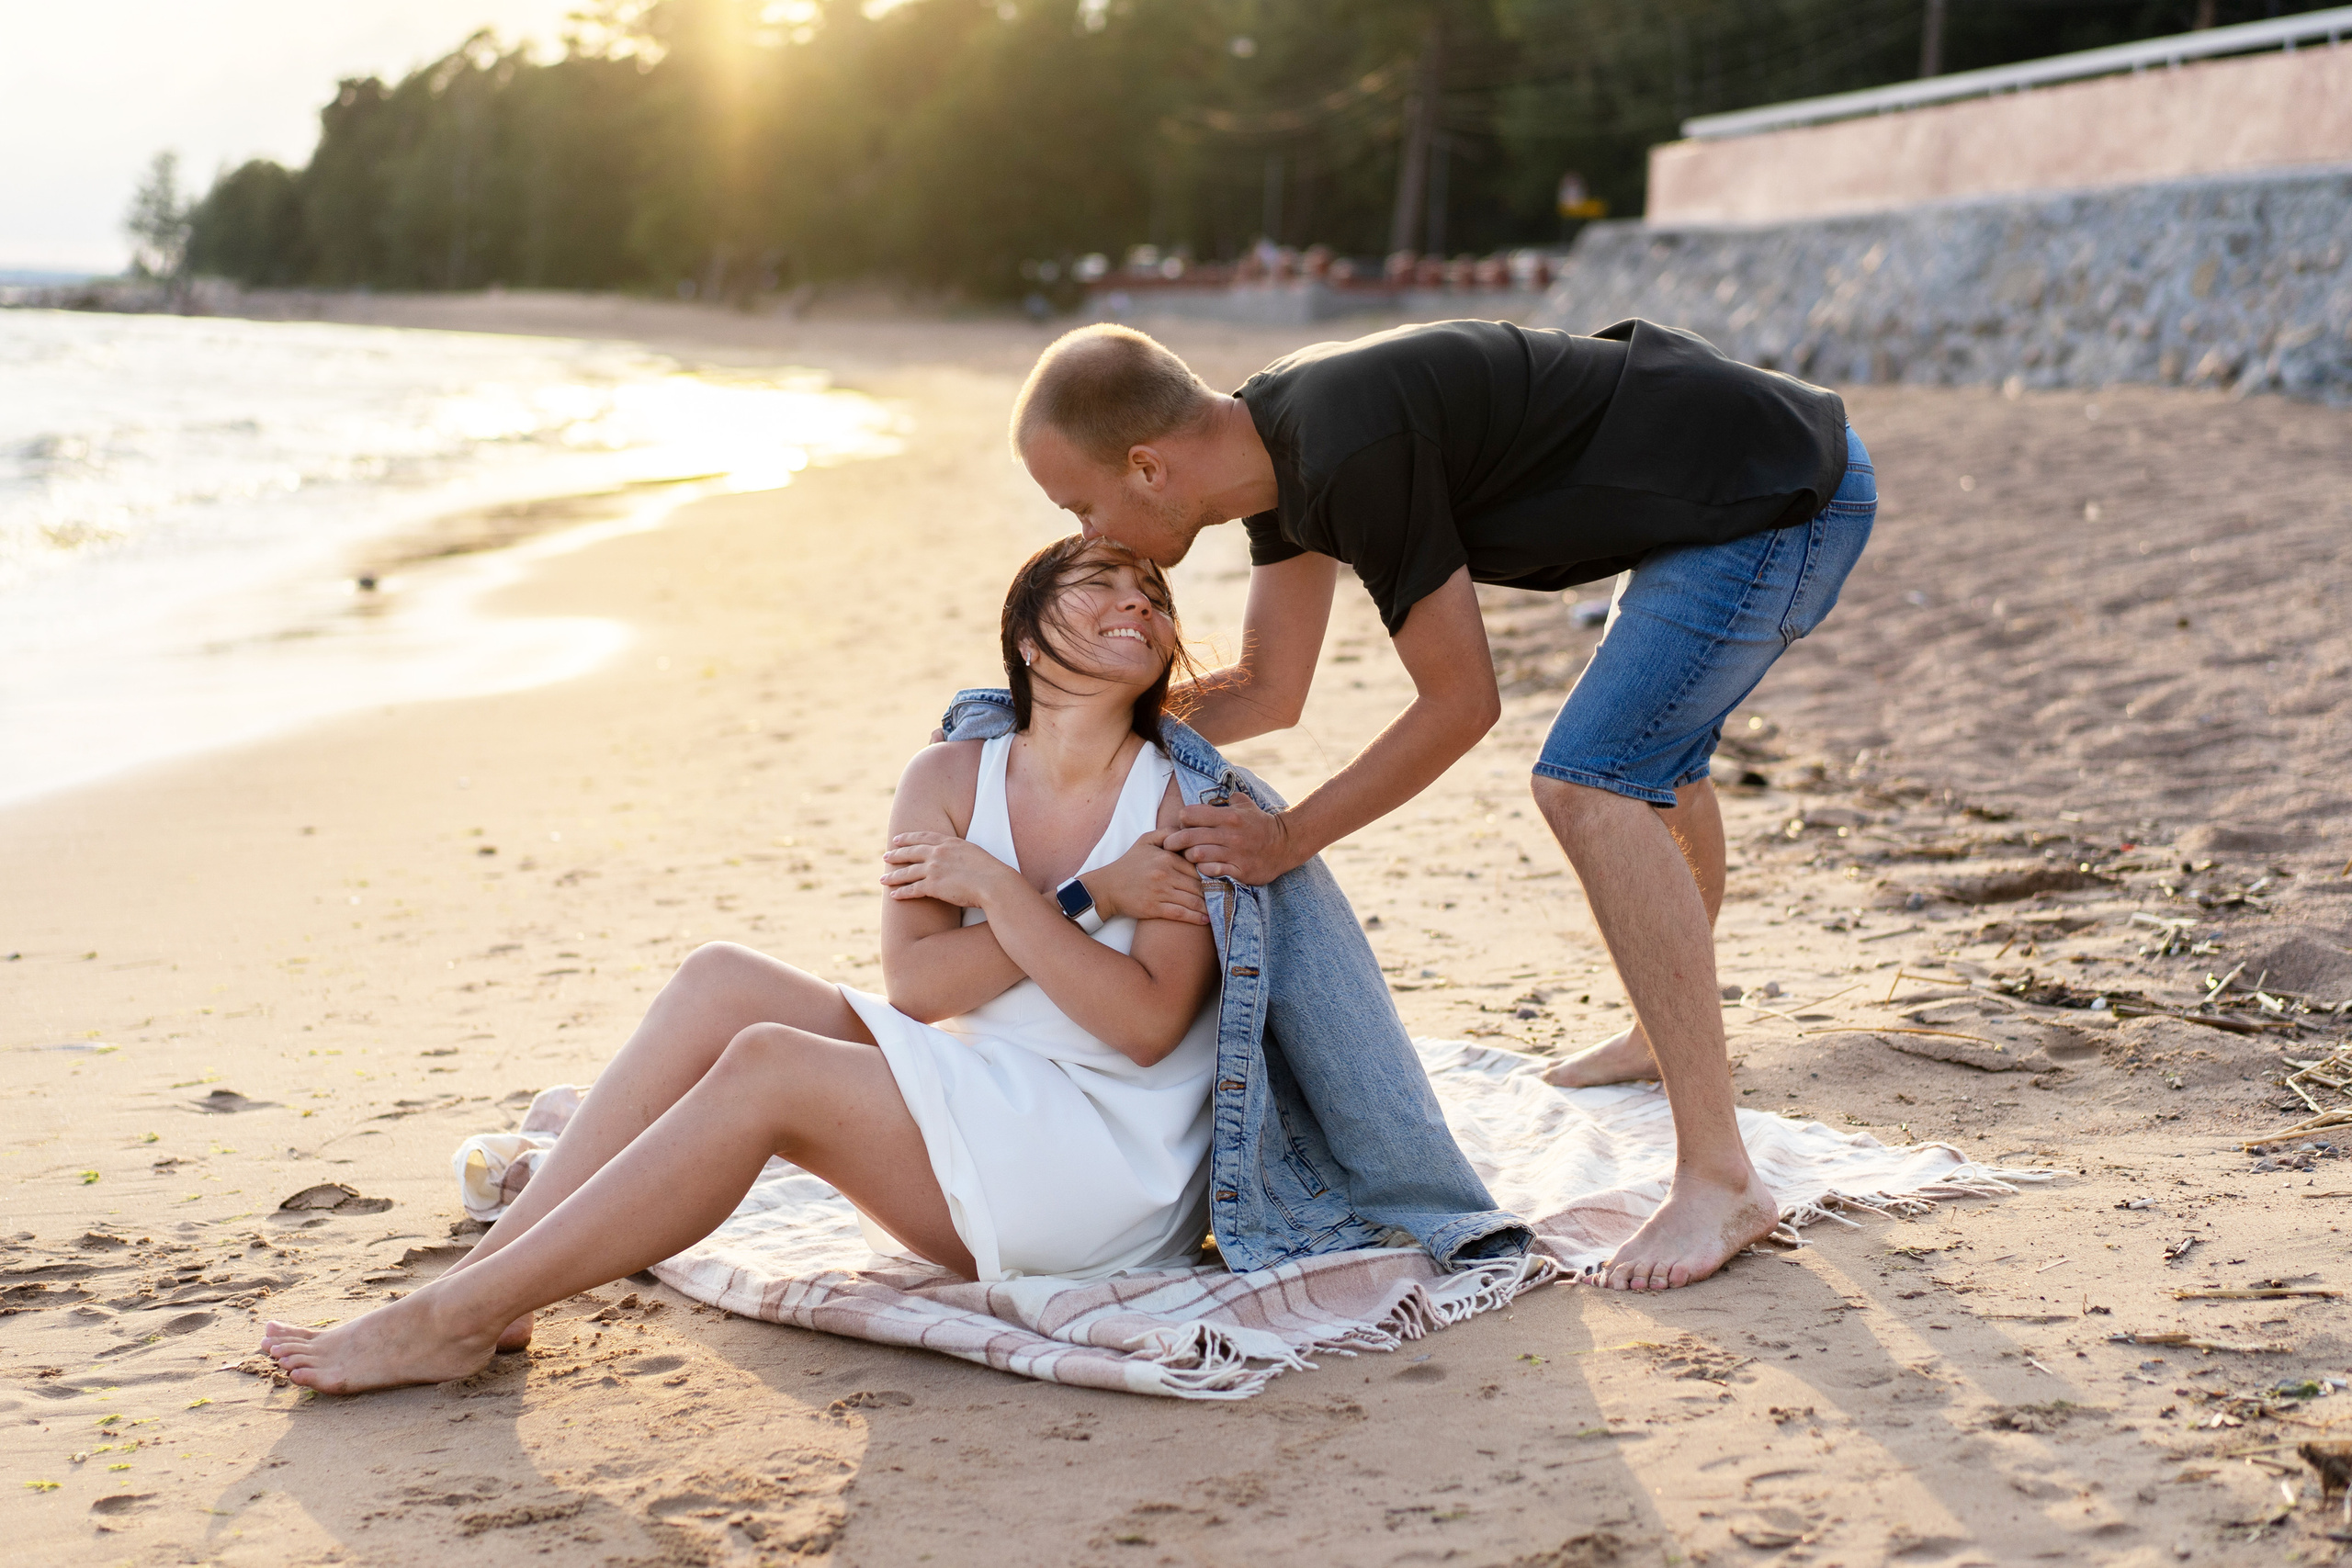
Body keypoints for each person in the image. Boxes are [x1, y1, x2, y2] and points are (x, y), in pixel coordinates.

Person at [1011, 318, 1877, 1292]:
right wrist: (1055, 728)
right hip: (1723, 485)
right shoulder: (1274, 459)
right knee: (1650, 760)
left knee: (1588, 780)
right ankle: (1656, 1039)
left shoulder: (1347, 449)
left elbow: (1463, 702)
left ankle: (1721, 1177)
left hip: (1782, 493)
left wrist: (1286, 838)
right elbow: (1266, 688)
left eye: (1081, 505)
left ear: (1147, 467)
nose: (1085, 535)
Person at [263, 538, 1235, 1393]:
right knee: (720, 978)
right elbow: (921, 991)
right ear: (1026, 638)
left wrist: (1015, 890)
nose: (1137, 603)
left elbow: (1145, 1029)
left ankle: (454, 1322)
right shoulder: (944, 780)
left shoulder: (1180, 801)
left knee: (771, 1064)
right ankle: (496, 1289)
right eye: (1100, 582)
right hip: (994, 1089)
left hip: (1105, 1168)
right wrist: (1083, 897)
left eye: (1153, 596)